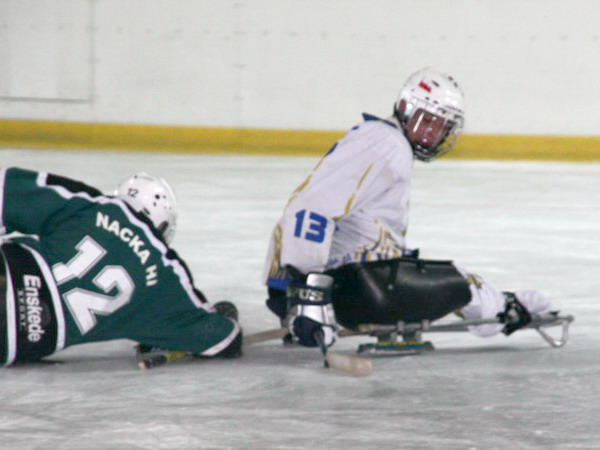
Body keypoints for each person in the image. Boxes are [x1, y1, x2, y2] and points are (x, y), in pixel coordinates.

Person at [263, 67, 551, 348]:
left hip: (334, 283)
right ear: (404, 107)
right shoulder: (385, 143)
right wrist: (309, 297)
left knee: (421, 268)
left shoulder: (382, 140)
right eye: (427, 121)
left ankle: (499, 308)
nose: (431, 134)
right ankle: (506, 310)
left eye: (441, 127)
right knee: (459, 281)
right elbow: (310, 208)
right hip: (356, 289)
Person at [0, 168, 241, 366]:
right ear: (163, 223)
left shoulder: (89, 204)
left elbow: (5, 189)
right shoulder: (166, 274)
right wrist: (221, 317)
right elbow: (222, 340)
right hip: (12, 343)